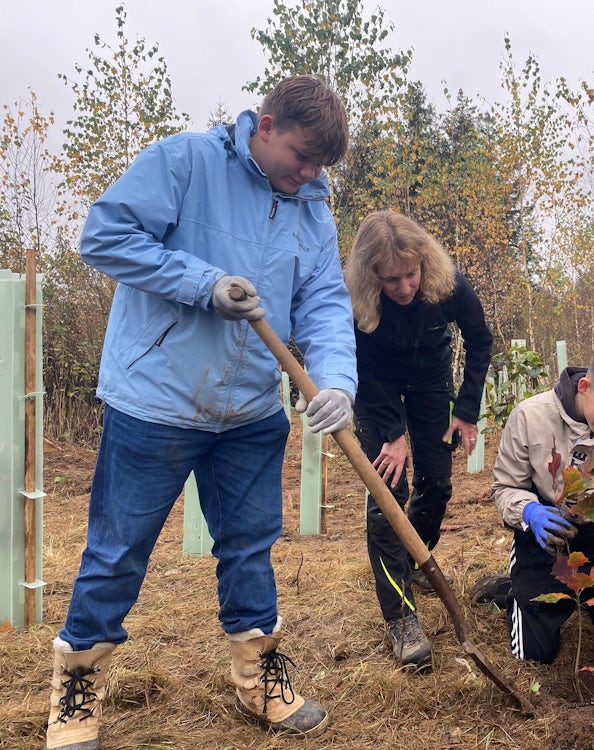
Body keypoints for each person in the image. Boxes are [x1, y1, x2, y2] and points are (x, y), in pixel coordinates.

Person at [43, 75, 356, 749]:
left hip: (248, 411)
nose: (308, 174)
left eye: (320, 166)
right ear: (265, 126)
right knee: (118, 551)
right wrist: (202, 283)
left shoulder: (313, 209)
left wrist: (335, 382)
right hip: (155, 401)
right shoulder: (185, 162)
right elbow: (103, 237)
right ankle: (77, 693)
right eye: (301, 156)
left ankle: (258, 680)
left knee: (249, 551)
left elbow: (325, 302)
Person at [343, 210, 493, 672]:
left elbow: (480, 341)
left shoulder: (450, 286)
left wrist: (467, 410)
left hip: (430, 380)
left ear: (424, 263)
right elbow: (361, 368)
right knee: (389, 492)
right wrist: (392, 434)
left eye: (411, 275)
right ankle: (400, 615)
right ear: (372, 277)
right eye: (392, 281)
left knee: (438, 483)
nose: (405, 288)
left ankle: (415, 558)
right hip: (378, 389)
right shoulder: (357, 301)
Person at [475, 341, 594, 682]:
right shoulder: (530, 417)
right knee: (536, 653)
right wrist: (529, 512)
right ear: (585, 388)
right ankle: (514, 592)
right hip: (543, 539)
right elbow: (504, 489)